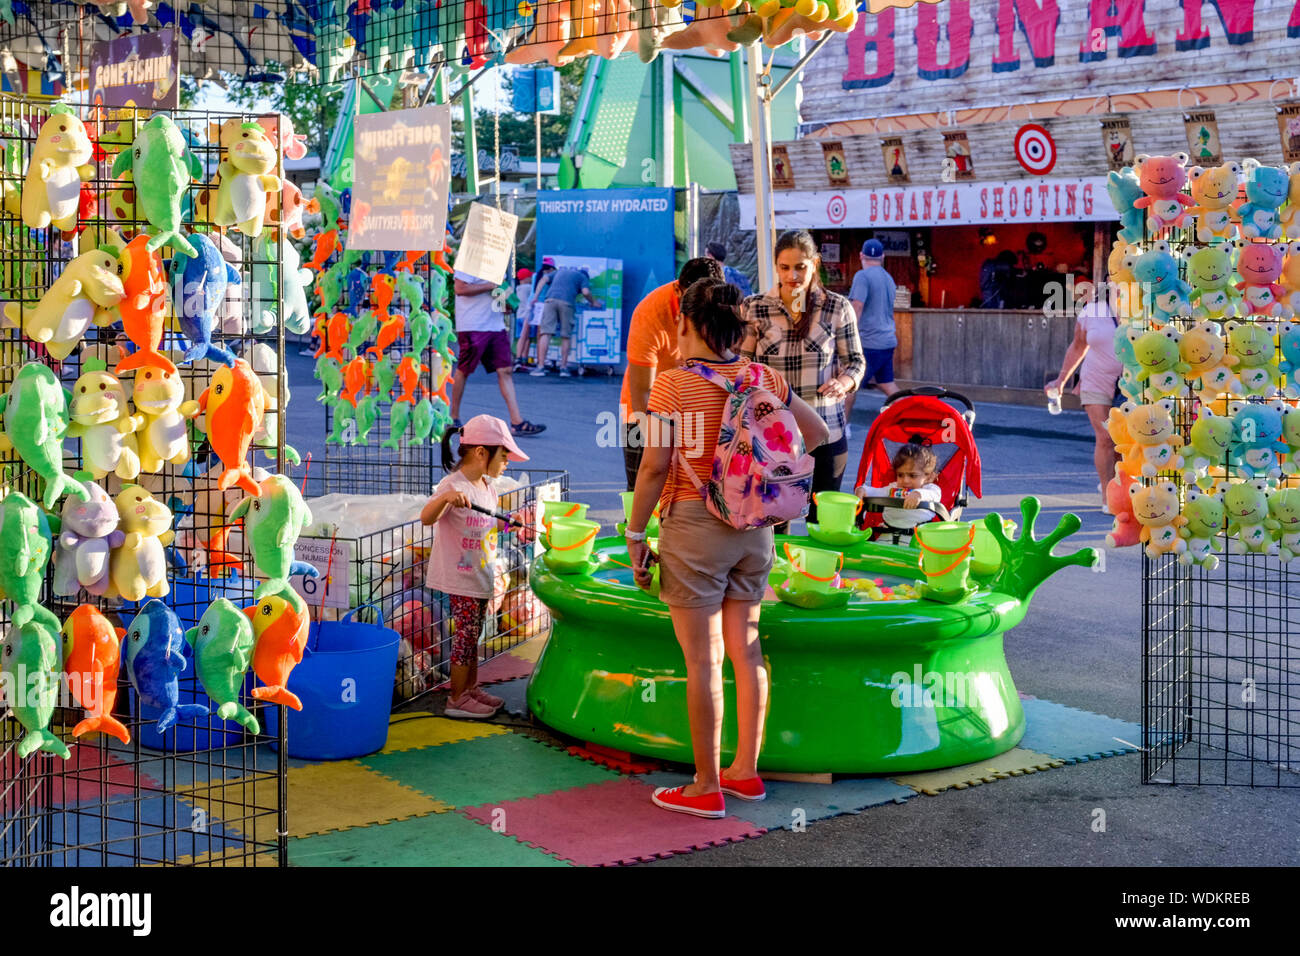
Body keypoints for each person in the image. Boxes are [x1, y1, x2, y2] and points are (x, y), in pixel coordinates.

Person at [626, 278, 829, 817]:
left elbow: (653, 467)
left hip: (694, 527)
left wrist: (633, 533)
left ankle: (705, 786)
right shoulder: (760, 375)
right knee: (747, 652)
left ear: (685, 323)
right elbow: (817, 434)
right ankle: (746, 773)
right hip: (755, 526)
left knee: (703, 661)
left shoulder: (671, 386)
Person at [739, 229, 864, 525]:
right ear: (776, 267)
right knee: (770, 528)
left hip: (826, 432)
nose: (792, 275)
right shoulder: (755, 307)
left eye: (800, 267)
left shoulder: (837, 307)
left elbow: (856, 363)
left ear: (815, 264)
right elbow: (742, 368)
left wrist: (844, 382)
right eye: (785, 267)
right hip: (769, 437)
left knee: (823, 528)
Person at [422, 415, 530, 718]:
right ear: (482, 452)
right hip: (461, 578)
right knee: (466, 638)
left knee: (473, 636)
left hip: (480, 574)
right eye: (504, 455)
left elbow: (484, 523)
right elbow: (426, 517)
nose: (507, 462)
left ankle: (469, 689)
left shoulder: (487, 486)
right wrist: (445, 498)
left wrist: (507, 523)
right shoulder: (452, 485)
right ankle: (457, 699)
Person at [619, 256, 724, 490]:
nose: (698, 313)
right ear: (678, 289)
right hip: (645, 408)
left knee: (691, 494)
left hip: (696, 409)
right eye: (691, 302)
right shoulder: (651, 312)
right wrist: (654, 451)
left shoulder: (725, 308)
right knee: (642, 490)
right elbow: (641, 393)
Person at [1045, 286, 1123, 512]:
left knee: (1122, 441)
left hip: (1130, 383)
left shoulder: (1143, 311)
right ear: (1109, 283)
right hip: (1095, 379)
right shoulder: (1092, 311)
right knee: (1106, 436)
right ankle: (1108, 496)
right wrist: (1061, 381)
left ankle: (1115, 483)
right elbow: (1078, 347)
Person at [451, 267, 546, 436]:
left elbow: (499, 297)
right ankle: (453, 416)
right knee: (464, 370)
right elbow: (460, 289)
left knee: (506, 370)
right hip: (473, 325)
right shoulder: (469, 262)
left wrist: (506, 303)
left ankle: (517, 422)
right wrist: (489, 285)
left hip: (496, 325)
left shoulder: (496, 266)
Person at [845, 238, 899, 429]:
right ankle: (909, 415)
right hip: (887, 340)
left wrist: (848, 334)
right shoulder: (889, 279)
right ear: (882, 257)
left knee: (849, 383)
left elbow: (857, 306)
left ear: (861, 256)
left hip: (868, 341)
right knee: (887, 383)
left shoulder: (862, 276)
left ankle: (843, 427)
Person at [532, 264, 603, 377]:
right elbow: (585, 292)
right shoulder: (582, 277)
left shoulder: (560, 271)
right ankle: (564, 368)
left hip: (550, 300)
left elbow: (543, 279)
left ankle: (540, 367)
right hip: (567, 303)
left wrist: (535, 296)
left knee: (545, 333)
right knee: (566, 336)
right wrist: (593, 302)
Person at [856, 443, 942, 536]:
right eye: (900, 475)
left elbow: (934, 495)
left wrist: (918, 494)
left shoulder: (930, 489)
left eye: (913, 475)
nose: (905, 480)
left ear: (928, 477)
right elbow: (876, 492)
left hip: (918, 538)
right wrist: (862, 490)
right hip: (888, 533)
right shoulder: (894, 488)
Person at [510, 267, 537, 368]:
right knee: (527, 338)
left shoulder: (518, 288)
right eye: (530, 277)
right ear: (526, 279)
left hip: (519, 316)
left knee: (521, 337)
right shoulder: (529, 288)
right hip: (527, 316)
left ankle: (520, 357)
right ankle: (523, 358)